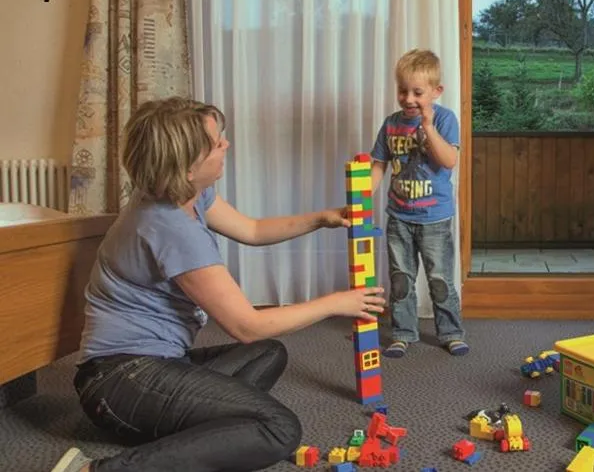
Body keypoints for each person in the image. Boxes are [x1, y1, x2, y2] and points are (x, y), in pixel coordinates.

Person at [50, 97, 385, 472]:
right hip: (119, 381)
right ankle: (97, 469)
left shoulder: (188, 195)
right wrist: (338, 302)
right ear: (187, 167)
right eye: (216, 142)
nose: (225, 144)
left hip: (155, 363)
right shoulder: (168, 227)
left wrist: (322, 218)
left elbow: (253, 230)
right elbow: (246, 325)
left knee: (268, 353)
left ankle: (187, 440)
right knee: (278, 428)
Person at [369, 48, 468, 359]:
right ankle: (402, 332)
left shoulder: (445, 119)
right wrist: (361, 197)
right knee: (401, 278)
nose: (408, 98)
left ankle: (451, 332)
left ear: (436, 92)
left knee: (439, 279)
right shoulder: (390, 124)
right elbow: (378, 164)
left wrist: (428, 126)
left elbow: (448, 160)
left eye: (417, 92)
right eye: (402, 91)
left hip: (435, 219)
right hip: (399, 216)